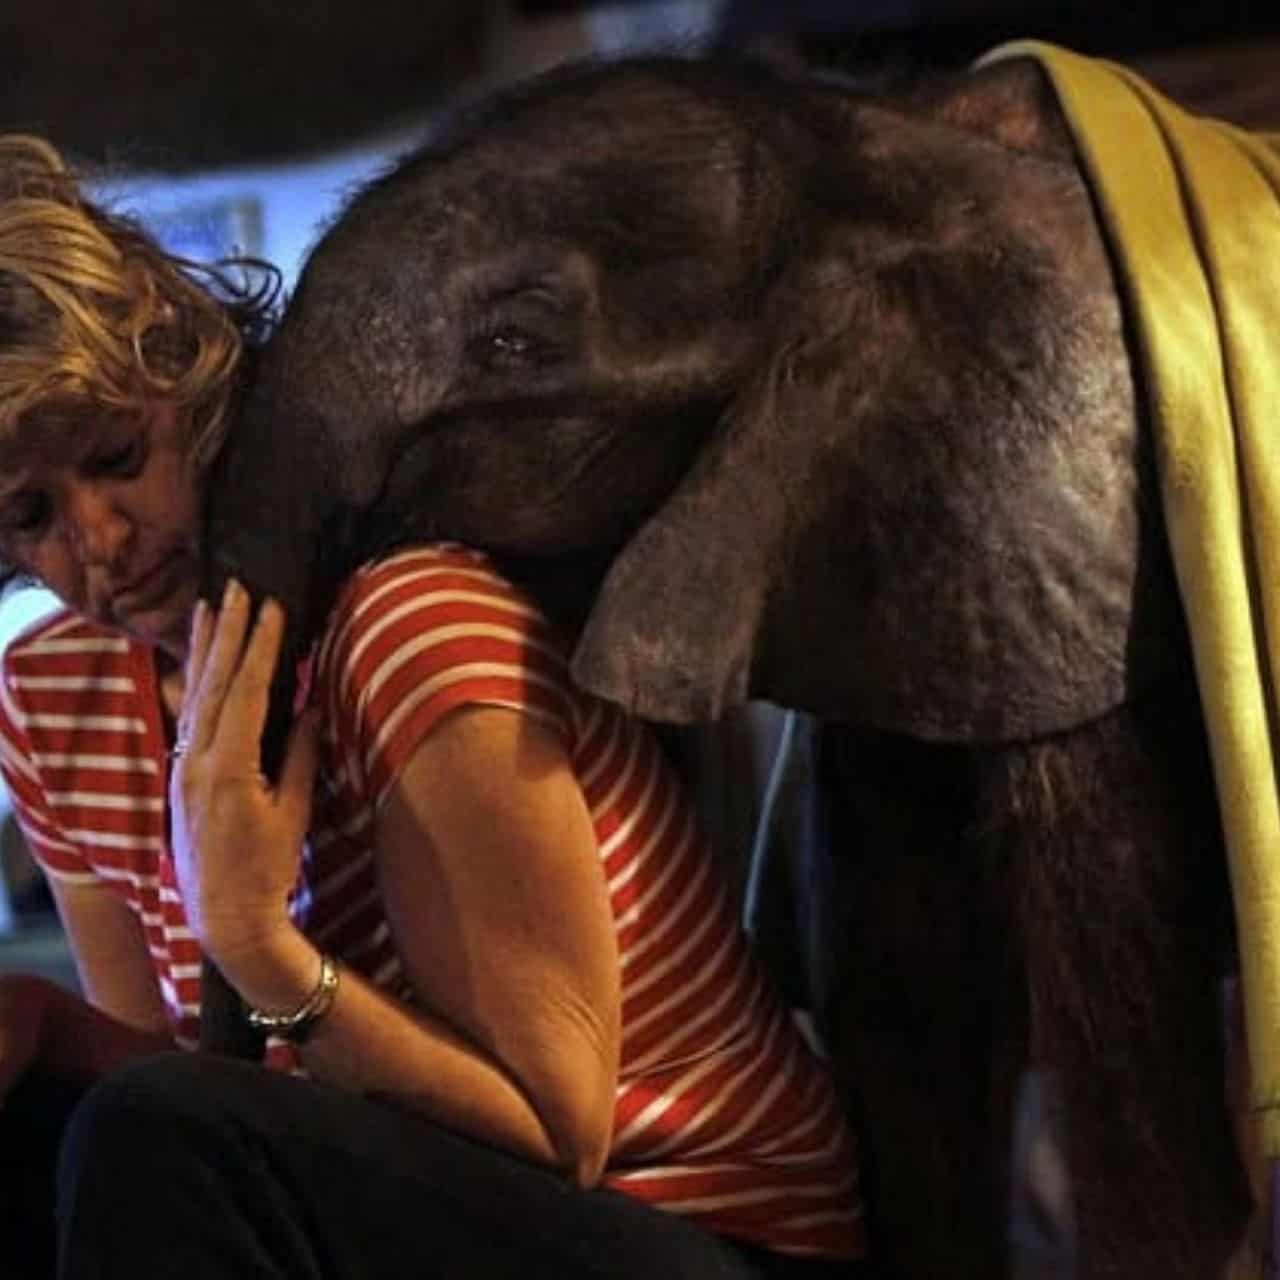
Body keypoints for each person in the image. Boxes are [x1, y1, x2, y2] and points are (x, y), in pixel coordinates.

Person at [0, 133, 866, 1279]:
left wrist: (256, 943)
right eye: (30, 514)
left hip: (695, 1228)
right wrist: (42, 1024)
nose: (101, 539)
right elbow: (185, 1085)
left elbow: (557, 1130)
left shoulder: (406, 623)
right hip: (404, 1215)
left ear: (190, 383)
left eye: (118, 455)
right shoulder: (52, 695)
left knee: (148, 1129)